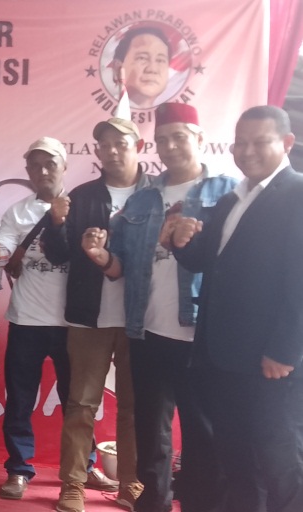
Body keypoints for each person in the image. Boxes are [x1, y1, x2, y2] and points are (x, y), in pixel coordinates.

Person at [85, 103, 233, 512]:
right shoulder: (142, 201)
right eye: (163, 139)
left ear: (200, 140)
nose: (170, 146)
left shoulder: (228, 192)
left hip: (201, 335)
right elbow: (120, 267)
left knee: (204, 432)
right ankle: (153, 503)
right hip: (148, 332)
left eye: (179, 137)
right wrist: (99, 256)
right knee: (151, 432)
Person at [0, 138, 115, 500]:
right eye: (35, 165)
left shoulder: (83, 207)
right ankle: (18, 469)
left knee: (78, 402)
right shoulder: (17, 213)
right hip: (27, 321)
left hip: (73, 324)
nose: (43, 171)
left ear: (64, 167)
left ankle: (84, 466)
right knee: (20, 400)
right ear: (27, 171)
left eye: (50, 164)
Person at [171, 106, 303, 512]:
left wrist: (284, 351)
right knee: (235, 457)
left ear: (286, 143)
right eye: (240, 143)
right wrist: (180, 240)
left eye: (260, 142)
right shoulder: (233, 198)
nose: (247, 151)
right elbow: (206, 261)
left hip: (271, 361)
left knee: (280, 460)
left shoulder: (298, 194)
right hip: (223, 356)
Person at [43, 117, 150, 512]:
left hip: (141, 318)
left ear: (138, 146)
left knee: (134, 406)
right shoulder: (83, 195)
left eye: (120, 143)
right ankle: (73, 483)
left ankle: (131, 482)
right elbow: (58, 254)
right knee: (81, 403)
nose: (112, 150)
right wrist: (56, 223)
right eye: (104, 144)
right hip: (89, 316)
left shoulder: (155, 195)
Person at [112, 27, 171, 109]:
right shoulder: (102, 113)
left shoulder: (168, 115)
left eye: (160, 60)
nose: (152, 69)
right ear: (118, 68)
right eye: (142, 58)